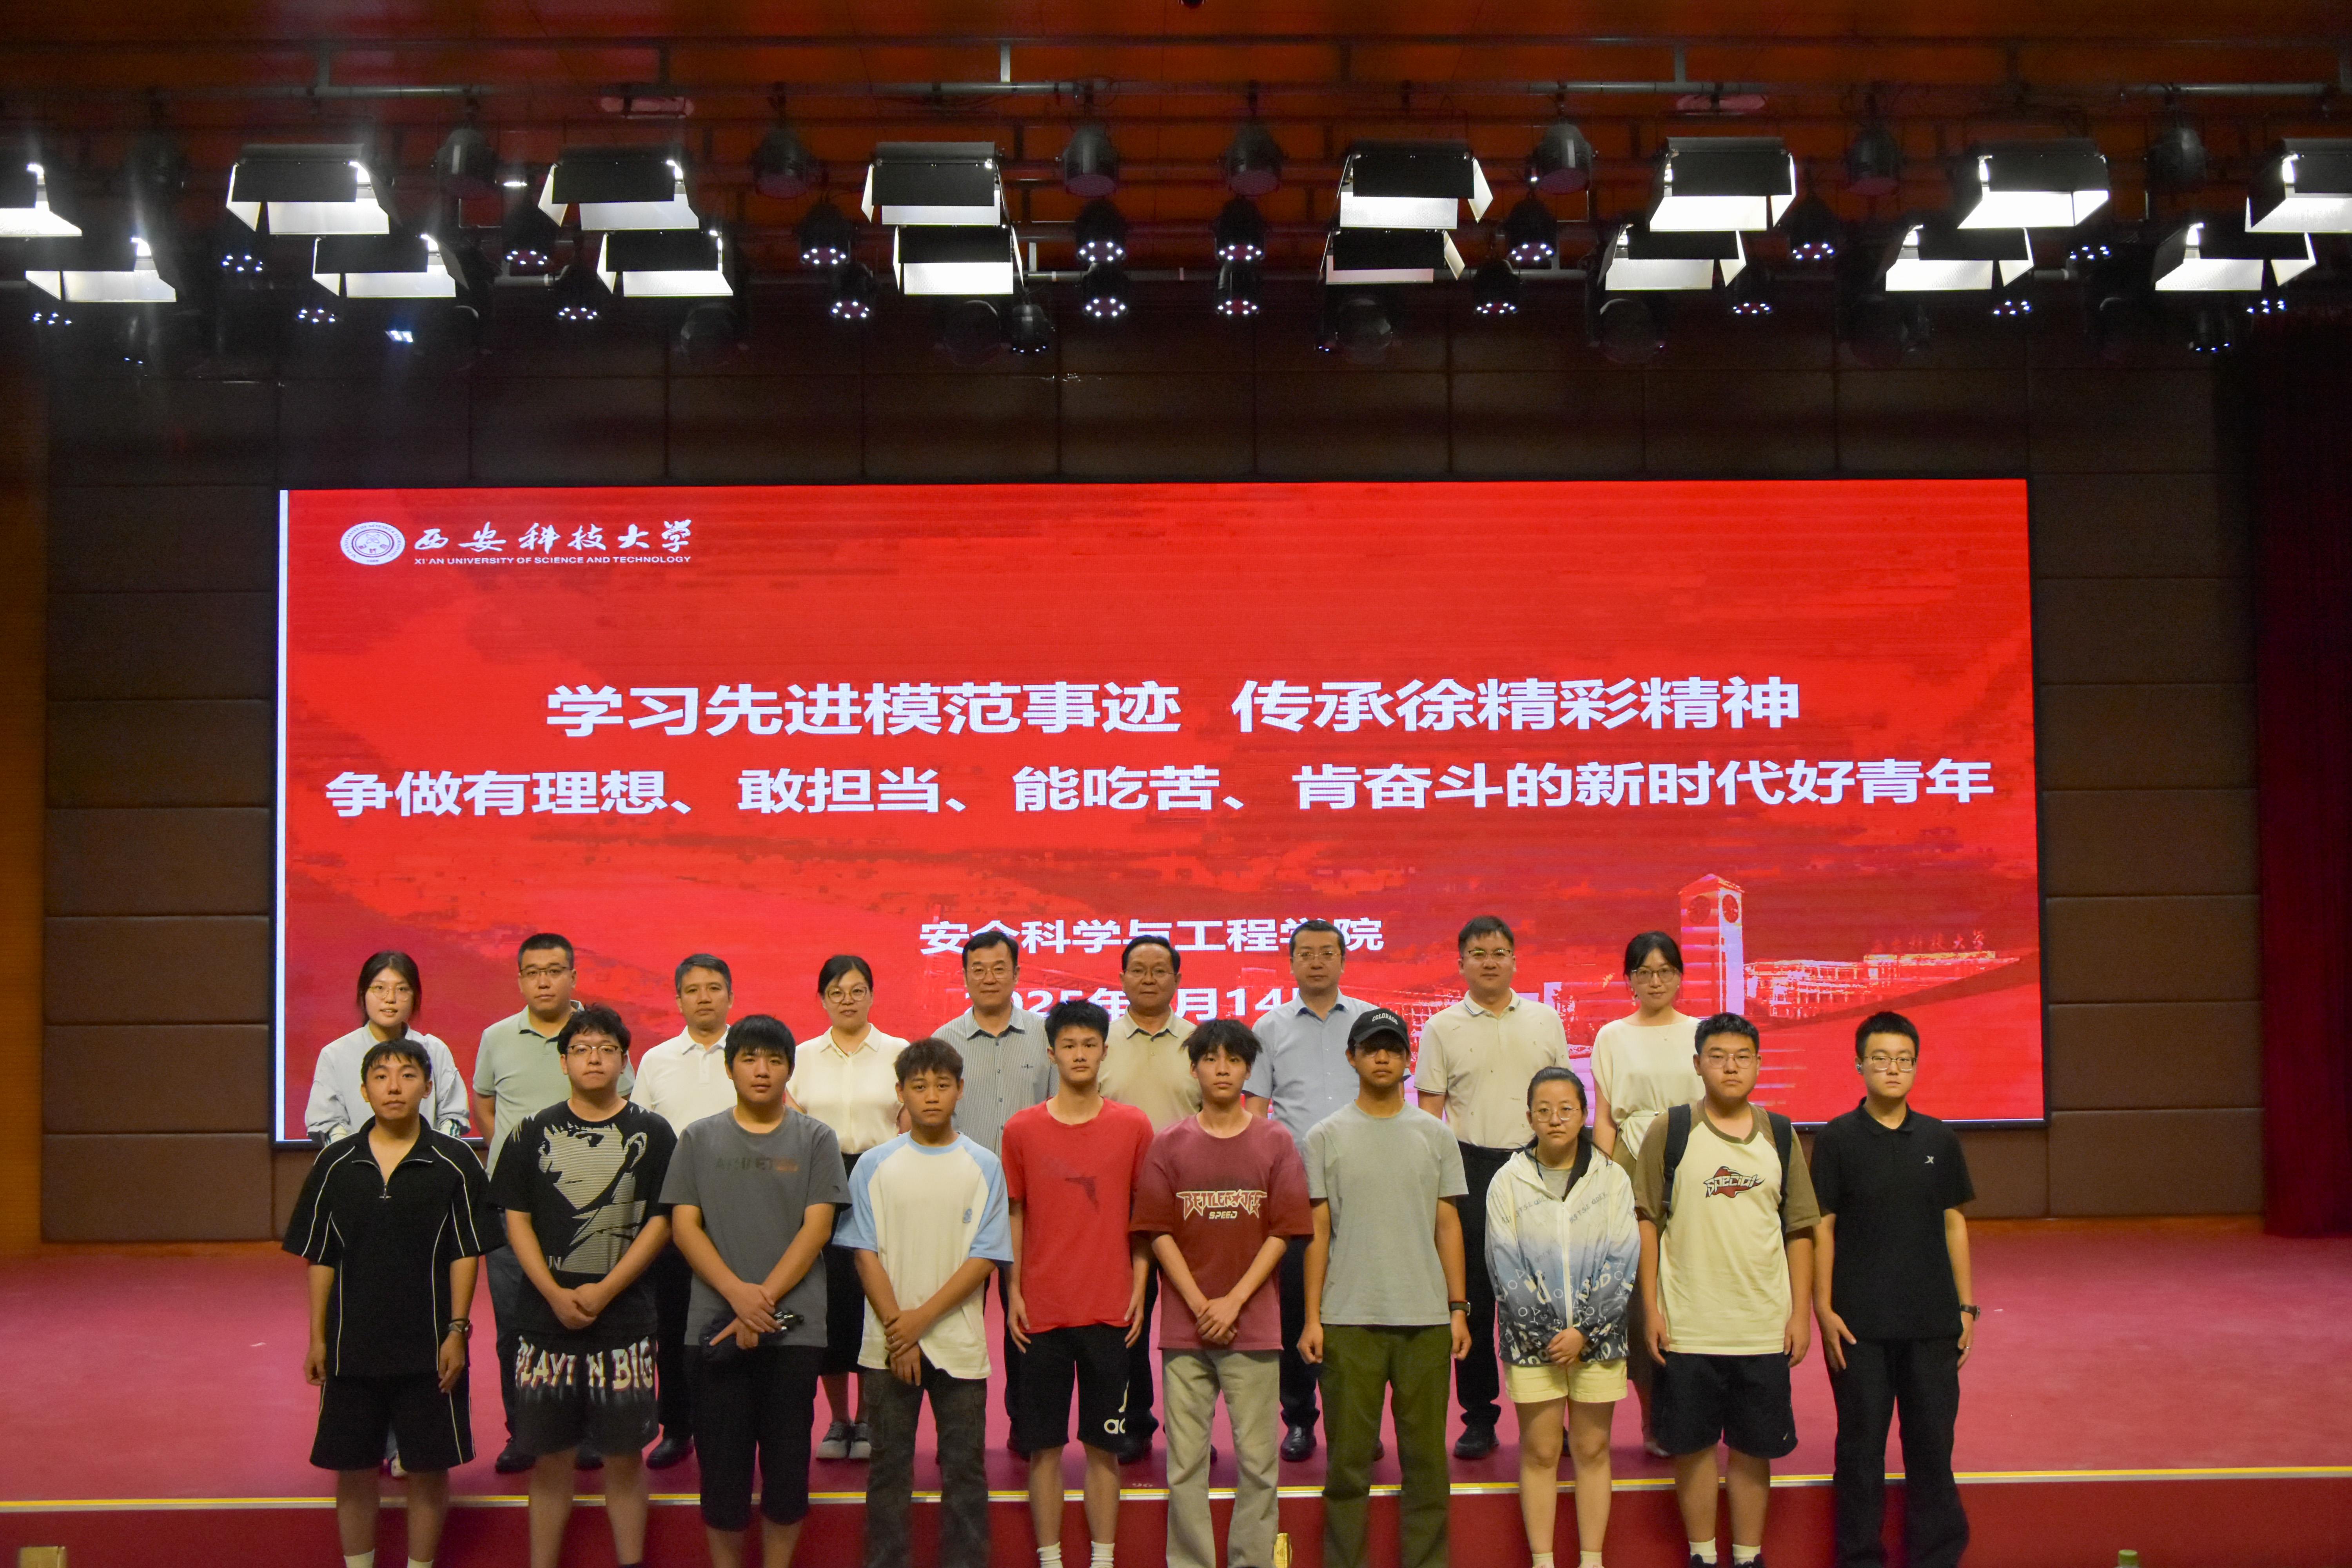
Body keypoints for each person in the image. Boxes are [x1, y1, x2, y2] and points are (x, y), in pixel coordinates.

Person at [284, 1036, 494, 1568]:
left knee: (428, 1468)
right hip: (351, 1347)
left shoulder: (454, 1163)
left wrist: (457, 1331)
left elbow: (465, 1252)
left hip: (431, 1350)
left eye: (407, 1075)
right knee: (354, 1469)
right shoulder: (335, 1164)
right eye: (381, 1077)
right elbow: (321, 1257)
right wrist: (317, 1338)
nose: (394, 1087)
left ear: (428, 1088)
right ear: (364, 1090)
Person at [493, 1003, 677, 1568]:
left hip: (625, 1320)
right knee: (551, 1458)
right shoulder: (530, 1132)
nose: (593, 1059)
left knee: (624, 1457)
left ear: (624, 1060)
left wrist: (607, 1290)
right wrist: (553, 1292)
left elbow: (661, 1222)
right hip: (543, 1321)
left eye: (606, 1049)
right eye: (581, 1049)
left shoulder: (653, 1133)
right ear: (563, 1061)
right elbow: (517, 1220)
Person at [1633, 1014, 1819, 1568]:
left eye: (1742, 1056)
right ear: (1698, 1064)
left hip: (1762, 1326)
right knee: (1692, 1448)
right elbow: (1646, 1222)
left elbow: (1800, 1229)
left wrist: (1799, 1315)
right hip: (1689, 1324)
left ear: (1759, 1064)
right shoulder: (1671, 1130)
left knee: (1753, 1448)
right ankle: (1701, 1554)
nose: (1730, 1067)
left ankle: (1747, 1555)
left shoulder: (1780, 1134)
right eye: (1717, 1056)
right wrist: (1651, 1308)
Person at [663, 1014, 848, 1568]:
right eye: (749, 1058)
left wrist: (759, 1300)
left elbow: (818, 1228)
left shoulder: (817, 1138)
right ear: (730, 1068)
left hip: (794, 1331)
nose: (762, 1070)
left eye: (774, 1060)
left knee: (787, 1471)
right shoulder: (699, 1138)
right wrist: (736, 1296)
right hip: (714, 1325)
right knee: (722, 1472)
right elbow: (684, 1227)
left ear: (790, 1069)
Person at [1133, 1018, 1312, 1568]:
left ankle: (1252, 1560)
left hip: (1253, 1326)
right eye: (1210, 1059)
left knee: (1259, 1463)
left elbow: (1284, 1231)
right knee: (1185, 1463)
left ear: (1248, 1070)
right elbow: (1157, 1230)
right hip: (1185, 1330)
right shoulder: (1169, 1144)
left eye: (1234, 1060)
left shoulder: (1276, 1141)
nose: (1222, 1069)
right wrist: (1199, 1303)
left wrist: (1233, 1302)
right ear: (1194, 1069)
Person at [1301, 1007, 1472, 1568]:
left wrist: (1458, 1308)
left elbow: (1447, 1224)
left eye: (1393, 1049)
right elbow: (1318, 1232)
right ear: (1351, 1057)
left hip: (1425, 1320)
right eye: (1371, 1048)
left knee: (1426, 1463)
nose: (1382, 1057)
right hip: (1348, 1320)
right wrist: (1313, 1317)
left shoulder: (1435, 1135)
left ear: (1407, 1060)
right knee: (1347, 1464)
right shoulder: (1324, 1137)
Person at [838, 1037, 1013, 1568]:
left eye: (942, 1085)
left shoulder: (984, 1165)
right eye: (919, 1086)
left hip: (958, 1346)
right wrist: (901, 1331)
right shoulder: (873, 1165)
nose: (931, 1096)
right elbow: (864, 1254)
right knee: (889, 1470)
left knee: (965, 1470)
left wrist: (917, 1323)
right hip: (887, 1347)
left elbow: (985, 1258)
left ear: (961, 1090)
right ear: (901, 1093)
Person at [1811, 1012, 1978, 1568]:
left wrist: (1966, 1307)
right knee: (1860, 1449)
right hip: (1858, 1325)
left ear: (1916, 1067)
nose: (1893, 1069)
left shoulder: (1938, 1138)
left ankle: (1937, 1556)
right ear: (1859, 1064)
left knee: (1932, 1445)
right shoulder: (1837, 1138)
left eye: (1904, 1060)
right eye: (1881, 1058)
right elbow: (1823, 1226)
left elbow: (1953, 1222)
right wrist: (1822, 1307)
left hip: (1932, 1323)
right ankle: (1860, 1557)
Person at [1002, 998, 1156, 1568]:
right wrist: (1014, 1291)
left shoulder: (1134, 1126)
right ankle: (1049, 1558)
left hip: (1110, 1310)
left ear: (1104, 1052)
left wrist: (1140, 1283)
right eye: (1069, 1045)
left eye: (1090, 1044)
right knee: (1043, 1450)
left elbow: (1144, 1213)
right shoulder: (1021, 1130)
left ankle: (1103, 1559)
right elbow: (1015, 1213)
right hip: (1041, 1314)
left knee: (1104, 1449)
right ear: (1052, 1054)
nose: (1080, 1054)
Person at [474, 933, 633, 1474]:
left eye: (555, 970)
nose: (544, 981)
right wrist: (518, 1164)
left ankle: (587, 1433)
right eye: (533, 972)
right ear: (520, 979)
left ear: (574, 977)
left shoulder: (598, 1035)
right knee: (515, 1326)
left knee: (588, 1318)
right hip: (514, 1209)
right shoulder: (497, 1037)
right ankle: (523, 1432)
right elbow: (486, 1104)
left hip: (590, 1208)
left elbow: (623, 1102)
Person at [1412, 915, 1570, 1460]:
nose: (1490, 961)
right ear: (1461, 963)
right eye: (1478, 953)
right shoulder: (1442, 1027)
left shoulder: (1546, 1020)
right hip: (1468, 1168)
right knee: (1474, 1297)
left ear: (1515, 960)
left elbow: (1564, 1099)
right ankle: (1479, 1416)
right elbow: (1429, 1114)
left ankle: (1548, 1413)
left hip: (1538, 1167)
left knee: (1545, 1293)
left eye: (1500, 952)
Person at [1489, 1067, 1640, 1568]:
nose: (1555, 1119)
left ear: (1584, 1114)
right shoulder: (1508, 1181)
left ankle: (1592, 1560)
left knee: (1593, 1449)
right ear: (1529, 1116)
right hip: (1531, 1343)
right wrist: (1550, 1335)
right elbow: (1504, 1263)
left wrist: (1585, 1331)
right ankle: (1544, 1561)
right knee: (1540, 1452)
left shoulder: (1612, 1179)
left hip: (1600, 1340)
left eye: (1566, 1109)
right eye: (1544, 1110)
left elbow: (1623, 1258)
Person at [1241, 918, 1367, 1461]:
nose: (1317, 962)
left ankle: (1358, 1419)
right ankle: (1299, 1418)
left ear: (1343, 960)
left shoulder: (1369, 1022)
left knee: (1359, 1308)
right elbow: (1255, 1110)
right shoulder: (1269, 1028)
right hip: (1295, 1187)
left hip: (1363, 1185)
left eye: (1327, 953)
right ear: (1291, 962)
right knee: (1296, 1307)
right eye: (1306, 953)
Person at [785, 954, 909, 1463]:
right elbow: (792, 1124)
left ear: (872, 995)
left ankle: (871, 1417)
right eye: (836, 993)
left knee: (875, 1301)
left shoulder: (899, 1052)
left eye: (857, 991)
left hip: (882, 1181)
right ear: (822, 1000)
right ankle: (839, 1419)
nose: (848, 1001)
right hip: (821, 1185)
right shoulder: (802, 1056)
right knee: (832, 1304)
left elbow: (908, 1122)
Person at [932, 928, 1052, 1444]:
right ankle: (959, 1436)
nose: (988, 978)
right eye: (977, 969)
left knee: (1027, 1318)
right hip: (965, 1200)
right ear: (964, 977)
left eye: (999, 968)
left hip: (1035, 1202)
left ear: (1017, 974)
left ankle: (1027, 1425)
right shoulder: (944, 1042)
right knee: (958, 1317)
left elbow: (1059, 1114)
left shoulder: (1046, 1035)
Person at [1589, 931, 1704, 1455]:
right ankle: (1653, 1417)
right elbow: (1606, 1118)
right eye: (1643, 972)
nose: (1655, 982)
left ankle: (1695, 1410)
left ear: (1680, 976)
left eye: (1665, 971)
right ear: (1629, 979)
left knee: (1692, 1282)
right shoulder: (1612, 1036)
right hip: (1631, 1164)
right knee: (1640, 1296)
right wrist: (1603, 1181)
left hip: (1694, 1159)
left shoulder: (1702, 1032)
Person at [633, 953, 742, 1471]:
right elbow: (642, 1138)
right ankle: (677, 1427)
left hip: (739, 1210)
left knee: (736, 1318)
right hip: (675, 1214)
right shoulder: (656, 1060)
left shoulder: (749, 1054)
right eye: (693, 989)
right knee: (674, 1326)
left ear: (731, 996)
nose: (704, 997)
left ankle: (734, 1425)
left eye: (714, 987)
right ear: (678, 1000)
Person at [1094, 934, 1198, 1463]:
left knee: (1193, 1320)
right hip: (1118, 1205)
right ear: (1121, 979)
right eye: (1139, 969)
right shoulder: (1101, 1043)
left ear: (1178, 980)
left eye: (1161, 970)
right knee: (1128, 1318)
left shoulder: (1200, 1043)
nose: (1150, 978)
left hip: (1191, 1205)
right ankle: (1133, 1420)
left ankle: (1193, 1431)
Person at [306, 950, 470, 1142]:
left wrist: (435, 1156)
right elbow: (329, 1122)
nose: (390, 998)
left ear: (415, 996)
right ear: (363, 993)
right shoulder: (335, 1054)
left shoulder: (434, 1050)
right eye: (379, 988)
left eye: (402, 989)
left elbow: (452, 1116)